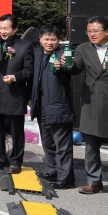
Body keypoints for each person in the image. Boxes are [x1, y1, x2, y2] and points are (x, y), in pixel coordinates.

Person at [0, 14, 34, 174]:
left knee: (16, 130)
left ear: (15, 29)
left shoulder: (25, 46)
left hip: (13, 94)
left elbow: (29, 70)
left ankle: (16, 161)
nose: (2, 31)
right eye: (0, 28)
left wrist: (15, 77)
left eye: (6, 28)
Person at [29, 25, 75, 190]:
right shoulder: (37, 54)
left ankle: (66, 178)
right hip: (40, 103)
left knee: (62, 144)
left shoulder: (63, 55)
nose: (49, 42)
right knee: (47, 141)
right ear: (40, 39)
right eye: (46, 39)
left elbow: (70, 70)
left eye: (53, 39)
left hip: (58, 105)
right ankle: (52, 170)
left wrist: (62, 67)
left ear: (58, 40)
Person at [67, 15, 108, 195]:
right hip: (92, 101)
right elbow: (75, 69)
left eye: (96, 31)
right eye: (89, 31)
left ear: (106, 31)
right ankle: (94, 181)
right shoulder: (83, 49)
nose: (92, 34)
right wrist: (66, 65)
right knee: (91, 145)